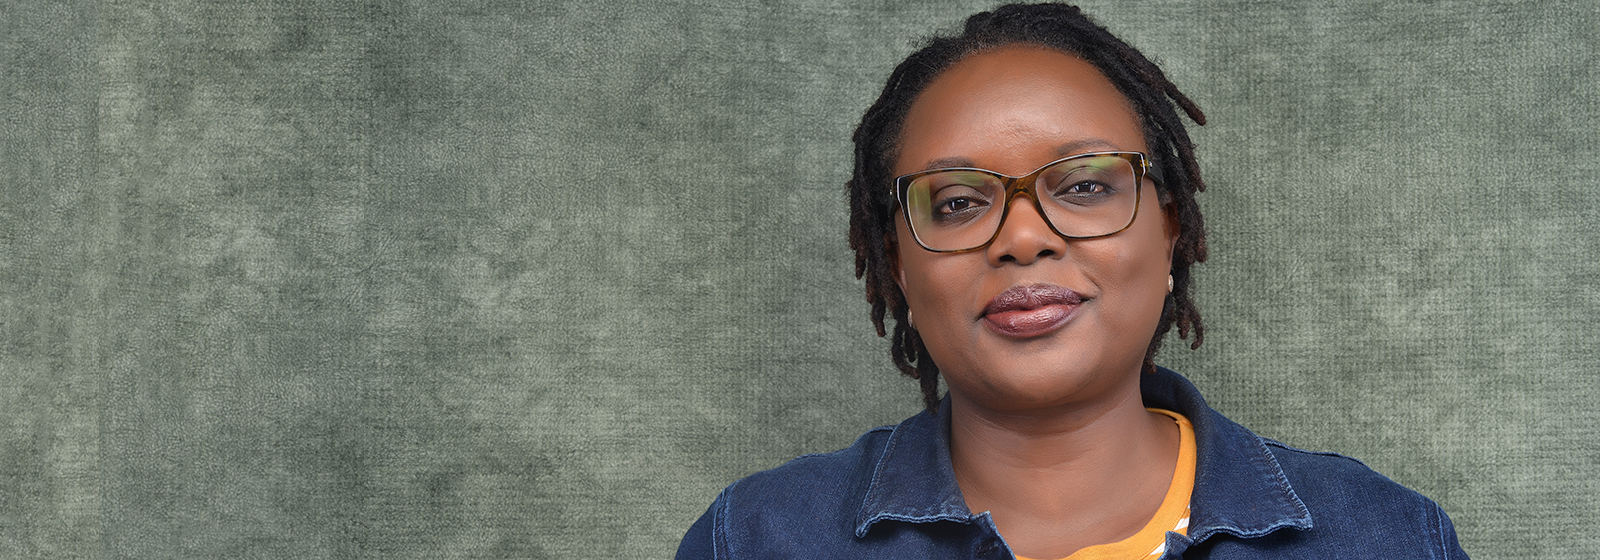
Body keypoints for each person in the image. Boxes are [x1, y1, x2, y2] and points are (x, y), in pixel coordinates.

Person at [677, 4, 1468, 558]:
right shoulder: (755, 539)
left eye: (1085, 186)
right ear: (899, 265)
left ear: (1169, 231)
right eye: (957, 203)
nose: (1023, 238)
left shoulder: (1388, 538)